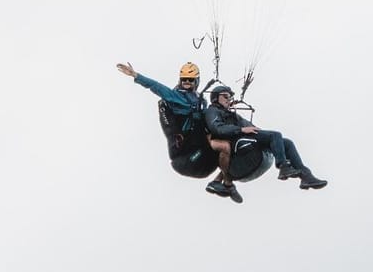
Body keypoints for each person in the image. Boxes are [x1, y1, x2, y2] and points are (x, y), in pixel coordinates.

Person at [116, 61, 241, 202]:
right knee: (224, 147)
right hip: (187, 152)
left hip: (198, 145)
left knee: (230, 146)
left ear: (197, 81)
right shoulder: (176, 96)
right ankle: (227, 183)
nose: (187, 82)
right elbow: (157, 87)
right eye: (184, 79)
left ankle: (219, 183)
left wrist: (226, 105)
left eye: (190, 80)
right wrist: (136, 75)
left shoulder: (200, 100)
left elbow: (209, 116)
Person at [203, 85, 328, 190]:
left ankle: (306, 177)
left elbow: (251, 127)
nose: (228, 99)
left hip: (246, 139)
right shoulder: (212, 111)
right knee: (275, 135)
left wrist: (272, 141)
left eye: (230, 97)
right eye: (225, 96)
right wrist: (240, 129)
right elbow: (217, 128)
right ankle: (283, 167)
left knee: (286, 143)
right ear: (215, 98)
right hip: (237, 144)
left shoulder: (232, 115)